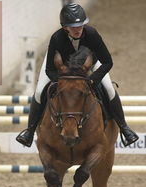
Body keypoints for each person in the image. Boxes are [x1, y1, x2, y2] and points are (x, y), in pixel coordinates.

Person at [16, 3, 139, 147]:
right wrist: (62, 81)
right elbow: (50, 69)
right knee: (38, 92)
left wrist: (93, 80)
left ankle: (124, 128)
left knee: (109, 89)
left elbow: (107, 62)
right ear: (65, 27)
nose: (78, 30)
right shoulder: (56, 38)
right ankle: (29, 131)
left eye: (80, 26)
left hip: (91, 64)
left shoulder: (92, 34)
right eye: (73, 27)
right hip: (61, 68)